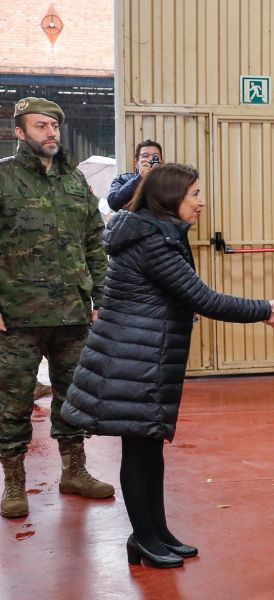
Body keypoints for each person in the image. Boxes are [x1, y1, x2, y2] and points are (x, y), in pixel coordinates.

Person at [62, 163, 274, 568]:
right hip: (133, 359)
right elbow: (204, 299)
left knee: (149, 449)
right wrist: (266, 309)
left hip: (143, 355)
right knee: (138, 450)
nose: (201, 202)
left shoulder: (154, 232)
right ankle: (143, 538)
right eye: (194, 194)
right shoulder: (153, 243)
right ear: (169, 198)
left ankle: (155, 533)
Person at [0, 97, 114, 520]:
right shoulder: (5, 178)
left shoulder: (74, 182)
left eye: (54, 125)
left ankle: (75, 470)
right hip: (18, 317)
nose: (51, 133)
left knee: (73, 398)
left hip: (72, 314)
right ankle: (14, 482)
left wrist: (101, 299)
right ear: (20, 132)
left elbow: (94, 245)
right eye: (41, 126)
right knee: (12, 404)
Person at [107, 139, 163, 211]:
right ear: (136, 163)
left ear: (161, 162)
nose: (150, 159)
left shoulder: (168, 181)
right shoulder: (123, 179)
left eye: (155, 156)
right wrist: (139, 179)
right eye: (145, 156)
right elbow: (113, 203)